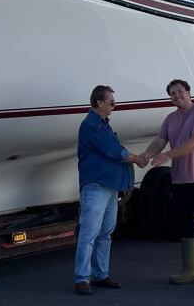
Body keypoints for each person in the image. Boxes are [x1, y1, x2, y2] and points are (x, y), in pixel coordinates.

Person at [140, 79, 194, 294]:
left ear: (189, 92)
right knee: (186, 225)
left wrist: (167, 156)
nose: (176, 96)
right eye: (172, 93)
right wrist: (145, 156)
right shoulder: (170, 119)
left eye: (180, 91)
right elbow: (160, 141)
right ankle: (190, 272)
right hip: (181, 181)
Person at [74, 85, 147, 296]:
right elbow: (113, 151)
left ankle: (100, 275)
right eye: (111, 101)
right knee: (89, 233)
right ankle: (82, 278)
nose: (114, 105)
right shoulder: (91, 125)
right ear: (99, 103)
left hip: (109, 188)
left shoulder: (103, 125)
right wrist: (136, 158)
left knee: (105, 234)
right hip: (96, 186)